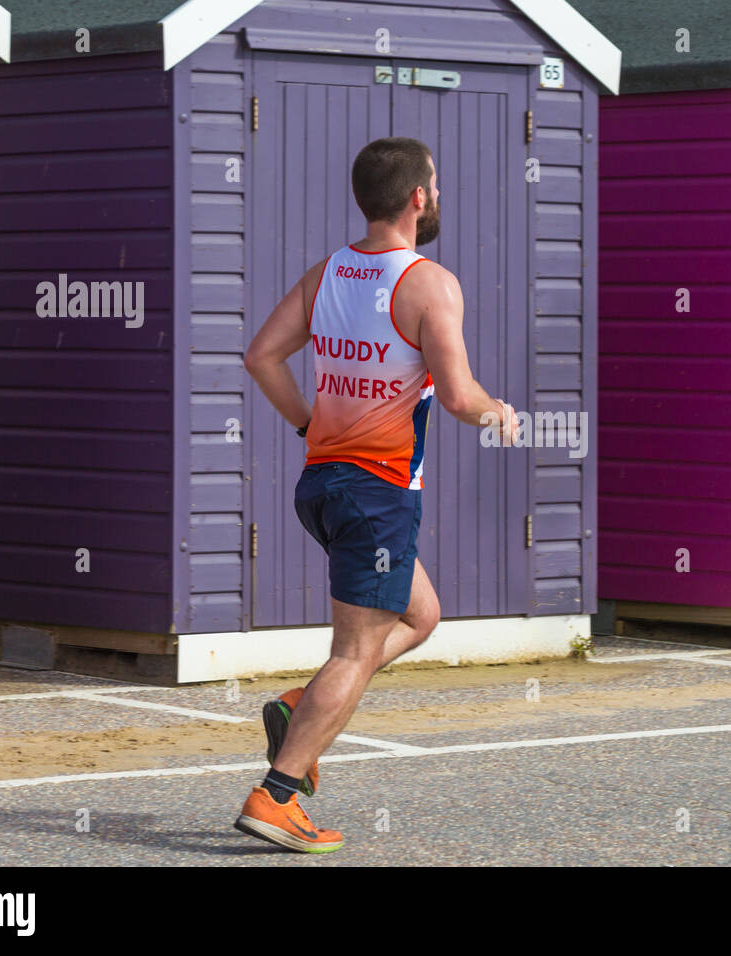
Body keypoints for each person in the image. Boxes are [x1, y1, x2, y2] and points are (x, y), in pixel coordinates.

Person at [234, 137, 519, 852]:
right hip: (378, 490)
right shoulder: (430, 283)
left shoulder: (327, 272)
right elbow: (457, 396)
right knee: (356, 651)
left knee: (421, 614)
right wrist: (500, 412)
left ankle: (300, 708)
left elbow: (260, 356)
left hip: (323, 483)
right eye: (437, 184)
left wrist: (307, 421)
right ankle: (277, 795)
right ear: (419, 198)